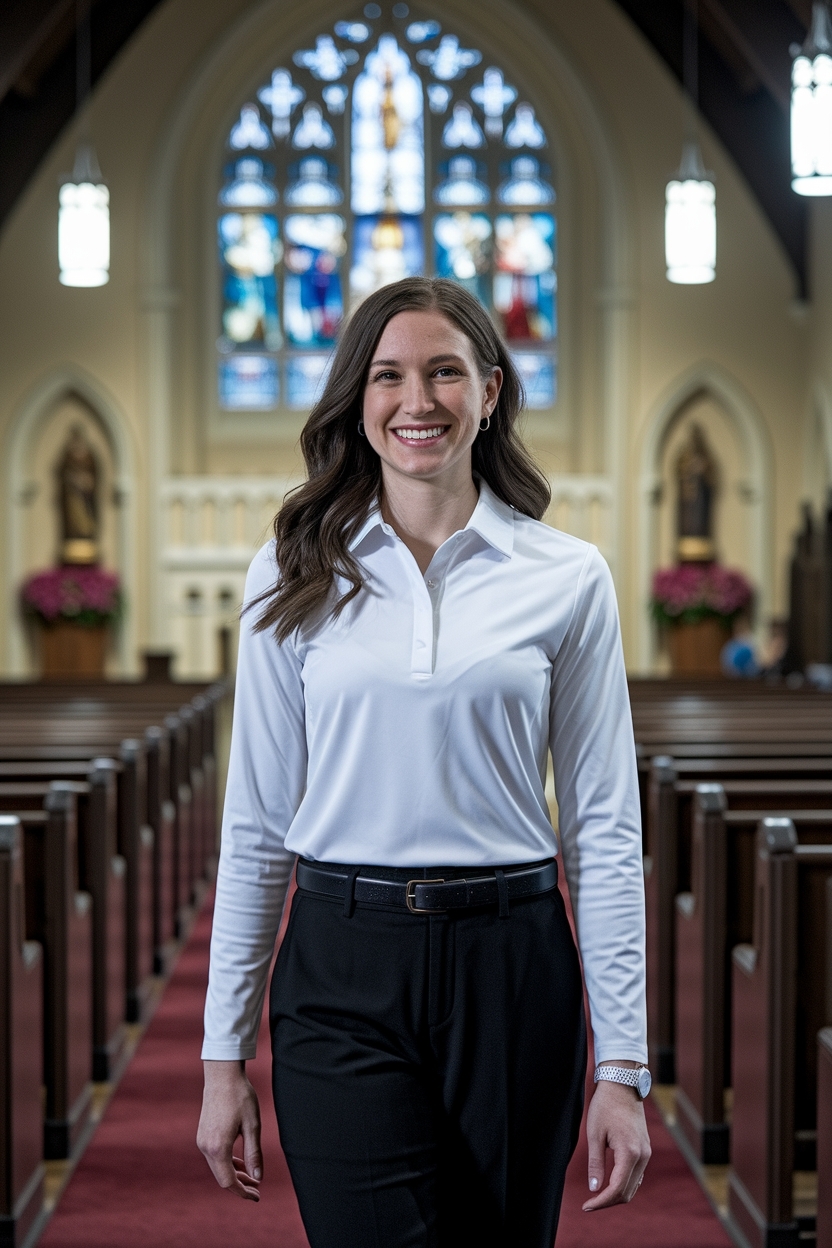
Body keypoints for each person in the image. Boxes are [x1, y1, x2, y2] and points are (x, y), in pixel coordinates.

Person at [197, 277, 651, 1247]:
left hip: (512, 963)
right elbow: (257, 822)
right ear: (356, 401)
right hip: (340, 965)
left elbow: (605, 829)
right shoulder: (292, 570)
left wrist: (623, 1069)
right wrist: (220, 1055)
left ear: (489, 391)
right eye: (389, 375)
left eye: (445, 372)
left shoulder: (566, 577)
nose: (418, 401)